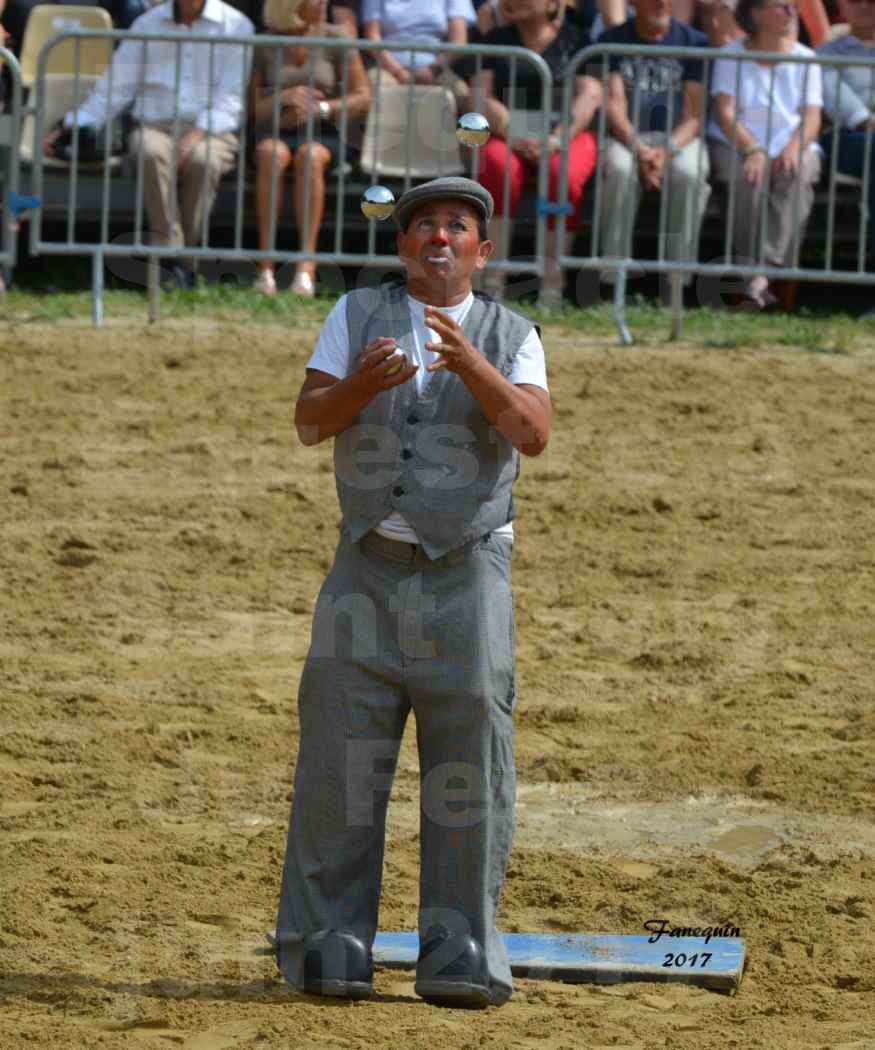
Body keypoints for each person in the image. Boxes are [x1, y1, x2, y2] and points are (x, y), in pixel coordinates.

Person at [274, 176, 551, 1009]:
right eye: (423, 224)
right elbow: (310, 421)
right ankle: (329, 945)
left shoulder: (513, 333)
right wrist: (362, 386)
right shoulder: (354, 316)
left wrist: (470, 364)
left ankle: (460, 952)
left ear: (481, 250)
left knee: (468, 768)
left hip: (466, 571)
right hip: (365, 565)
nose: (438, 236)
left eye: (456, 226)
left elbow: (533, 435)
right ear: (401, 247)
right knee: (339, 765)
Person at [43, 0, 253, 285]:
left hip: (214, 130)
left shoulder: (238, 25)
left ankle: (183, 262)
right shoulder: (147, 23)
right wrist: (71, 125)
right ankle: (173, 258)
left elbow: (231, 97)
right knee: (150, 151)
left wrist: (196, 135)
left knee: (204, 160)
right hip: (155, 124)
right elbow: (117, 86)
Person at [471, 0, 603, 305]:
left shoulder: (579, 41)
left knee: (563, 174)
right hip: (507, 132)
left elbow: (590, 96)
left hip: (566, 135)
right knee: (496, 165)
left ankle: (553, 283)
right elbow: (480, 96)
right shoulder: (494, 40)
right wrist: (515, 133)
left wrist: (557, 139)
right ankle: (492, 280)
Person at [250, 0, 370, 296]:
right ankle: (265, 267)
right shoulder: (266, 42)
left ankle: (307, 265)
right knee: (270, 154)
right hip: (276, 128)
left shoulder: (336, 36)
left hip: (325, 130)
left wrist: (321, 109)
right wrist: (285, 97)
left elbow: (363, 96)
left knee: (310, 156)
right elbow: (255, 108)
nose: (322, 3)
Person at [708, 0, 822, 308]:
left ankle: (764, 273)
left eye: (793, 6)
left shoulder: (806, 58)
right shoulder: (731, 56)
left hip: (793, 142)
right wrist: (752, 149)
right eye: (782, 6)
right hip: (737, 142)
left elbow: (812, 117)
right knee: (749, 178)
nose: (792, 11)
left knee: (796, 175)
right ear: (757, 14)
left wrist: (794, 147)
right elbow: (725, 112)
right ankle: (753, 276)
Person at [598, 0, 712, 289]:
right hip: (628, 136)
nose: (661, 3)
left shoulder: (695, 42)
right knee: (620, 170)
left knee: (689, 173)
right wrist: (640, 149)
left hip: (678, 138)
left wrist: (667, 152)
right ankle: (614, 281)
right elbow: (614, 106)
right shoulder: (611, 40)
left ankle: (677, 283)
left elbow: (695, 115)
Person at [818, 0, 875, 319]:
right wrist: (867, 120)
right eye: (857, 0)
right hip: (849, 137)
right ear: (842, 7)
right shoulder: (830, 51)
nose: (866, 6)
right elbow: (832, 93)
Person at [362, 0, 476, 85]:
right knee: (377, 88)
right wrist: (399, 72)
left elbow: (459, 42)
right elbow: (372, 37)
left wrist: (432, 70)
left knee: (463, 95)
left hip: (437, 70)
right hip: (387, 69)